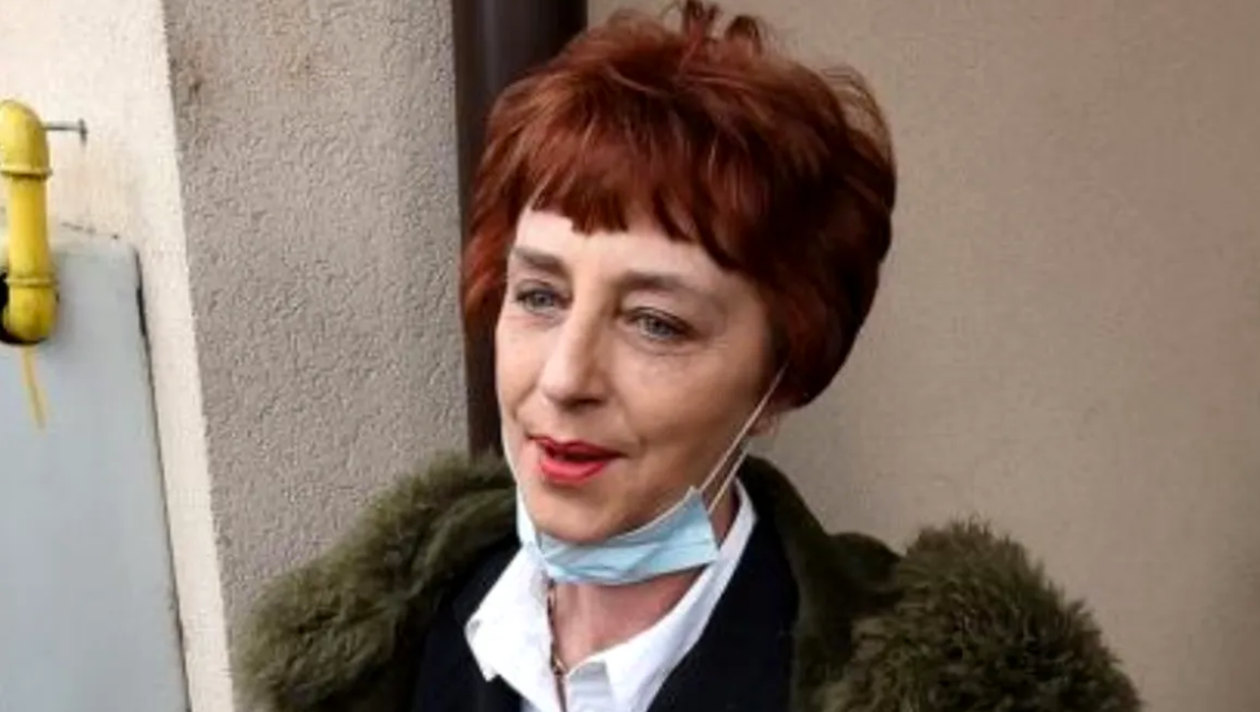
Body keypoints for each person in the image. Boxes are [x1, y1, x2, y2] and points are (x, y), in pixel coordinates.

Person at [237, 3, 1139, 711]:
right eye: (541, 296)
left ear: (782, 375)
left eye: (656, 323)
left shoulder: (933, 687)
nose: (564, 378)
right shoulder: (397, 637)